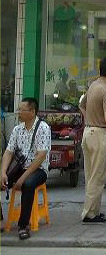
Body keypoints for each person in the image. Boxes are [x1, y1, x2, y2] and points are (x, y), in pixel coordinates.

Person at [0, 97, 51, 240]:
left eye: (22, 110)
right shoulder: (17, 129)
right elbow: (9, 152)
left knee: (28, 184)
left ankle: (23, 226)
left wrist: (22, 179)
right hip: (19, 168)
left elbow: (40, 157)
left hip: (38, 170)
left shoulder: (43, 128)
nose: (18, 112)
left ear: (32, 112)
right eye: (18, 109)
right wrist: (3, 172)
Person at [79, 57, 106, 224]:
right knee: (98, 177)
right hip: (98, 135)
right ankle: (88, 214)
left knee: (91, 175)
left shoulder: (93, 85)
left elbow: (81, 105)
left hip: (87, 133)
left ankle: (93, 212)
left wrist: (89, 118)